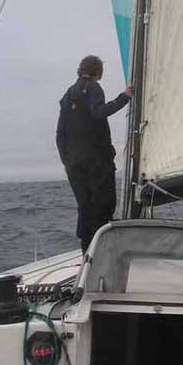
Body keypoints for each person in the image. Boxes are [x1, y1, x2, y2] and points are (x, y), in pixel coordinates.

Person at [56, 55, 133, 254]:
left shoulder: (68, 95)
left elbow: (59, 134)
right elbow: (98, 112)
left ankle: (86, 255)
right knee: (103, 207)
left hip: (74, 165)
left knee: (85, 208)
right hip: (97, 162)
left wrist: (67, 161)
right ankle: (102, 256)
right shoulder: (92, 87)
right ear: (97, 72)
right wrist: (125, 96)